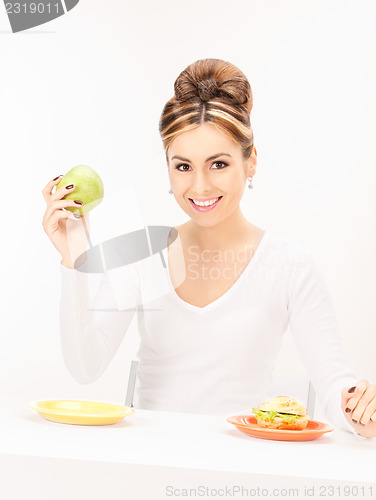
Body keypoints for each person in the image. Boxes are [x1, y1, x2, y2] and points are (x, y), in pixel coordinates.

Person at [42, 58, 376, 438]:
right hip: (149, 468)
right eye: (183, 166)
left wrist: (359, 411)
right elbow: (86, 367)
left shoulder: (289, 266)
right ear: (167, 167)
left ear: (251, 162)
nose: (199, 187)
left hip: (244, 474)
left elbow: (334, 386)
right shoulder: (144, 255)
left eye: (218, 164)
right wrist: (72, 260)